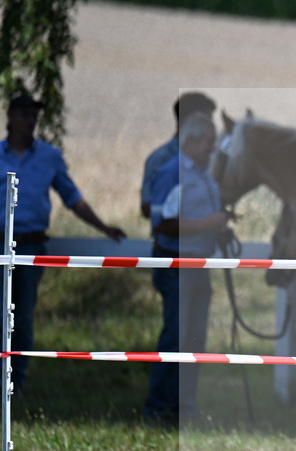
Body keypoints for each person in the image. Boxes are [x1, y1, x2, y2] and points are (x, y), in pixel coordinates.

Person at [0, 92, 126, 392]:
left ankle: (16, 383)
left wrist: (103, 227)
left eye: (34, 116)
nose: (31, 121)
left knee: (22, 315)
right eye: (26, 115)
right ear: (11, 118)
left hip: (31, 246)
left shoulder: (49, 157)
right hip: (0, 245)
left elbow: (72, 198)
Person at [143, 112, 230, 424]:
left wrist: (218, 228)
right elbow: (161, 223)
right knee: (175, 339)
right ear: (191, 141)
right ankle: (156, 408)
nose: (212, 147)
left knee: (194, 342)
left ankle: (184, 409)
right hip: (177, 267)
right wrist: (206, 224)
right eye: (209, 142)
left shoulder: (205, 175)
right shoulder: (173, 172)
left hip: (198, 267)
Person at [140, 91, 216, 219]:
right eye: (205, 122)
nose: (210, 127)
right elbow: (148, 208)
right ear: (189, 121)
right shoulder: (161, 160)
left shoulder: (209, 159)